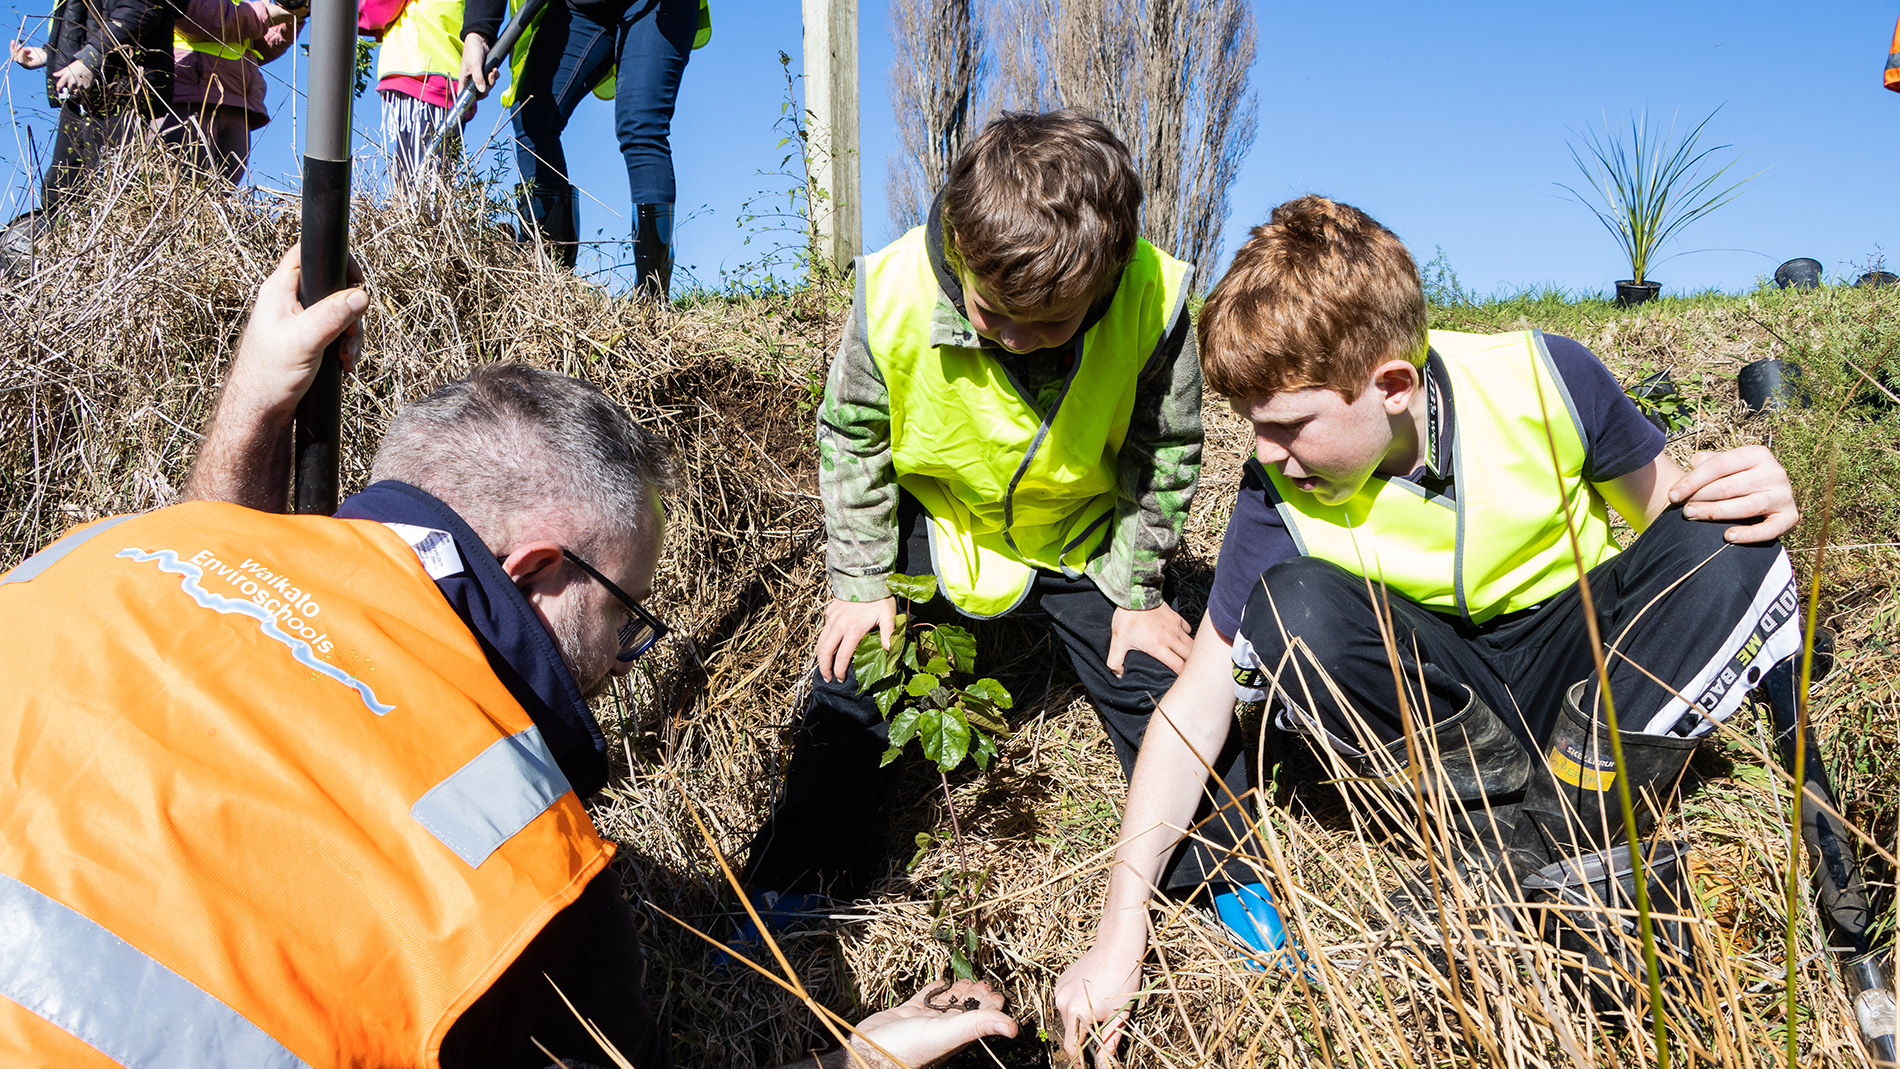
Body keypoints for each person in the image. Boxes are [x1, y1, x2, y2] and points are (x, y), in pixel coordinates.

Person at [0, 247, 1017, 1068]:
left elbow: (216, 551)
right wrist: (865, 1061)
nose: (625, 657)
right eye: (626, 613)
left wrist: (255, 401)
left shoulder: (101, 553)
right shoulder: (526, 871)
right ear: (537, 570)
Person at [1052, 195, 1805, 1064]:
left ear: (1394, 386)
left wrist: (1749, 493)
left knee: (1730, 543)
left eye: (1288, 425)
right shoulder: (1275, 495)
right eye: (1252, 428)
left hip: (1582, 661)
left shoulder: (1547, 376)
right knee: (1290, 606)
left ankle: (1554, 835)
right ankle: (1503, 832)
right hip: (1447, 704)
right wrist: (1121, 926)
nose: (1262, 456)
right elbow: (1195, 707)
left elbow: (1672, 509)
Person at [738, 111, 1261, 943]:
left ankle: (1223, 873)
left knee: (1158, 686)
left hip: (1080, 532)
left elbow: (1165, 450)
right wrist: (863, 581)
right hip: (939, 521)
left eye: (1050, 324)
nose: (1016, 339)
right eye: (992, 314)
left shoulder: (1155, 301)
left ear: (1110, 273)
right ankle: (801, 880)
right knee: (850, 685)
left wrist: (1138, 588)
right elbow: (853, 434)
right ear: (960, 244)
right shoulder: (894, 289)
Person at [457, 0, 709, 295]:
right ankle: (549, 293)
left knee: (641, 123)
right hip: (582, 7)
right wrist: (478, 32)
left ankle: (651, 304)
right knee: (531, 114)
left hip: (656, 7)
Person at [8, 0, 170, 215]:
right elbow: (84, 23)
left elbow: (140, 9)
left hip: (123, 91)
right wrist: (49, 54)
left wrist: (90, 58)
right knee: (61, 187)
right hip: (84, 94)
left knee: (113, 187)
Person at [161, 0, 301, 182]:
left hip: (236, 100)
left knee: (222, 194)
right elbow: (201, 18)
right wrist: (265, 13)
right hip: (189, 94)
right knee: (183, 188)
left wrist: (290, 16)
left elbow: (253, 42)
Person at [360, 0, 476, 190]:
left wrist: (350, 14)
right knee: (434, 182)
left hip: (422, 70)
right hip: (450, 74)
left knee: (417, 187)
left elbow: (378, 8)